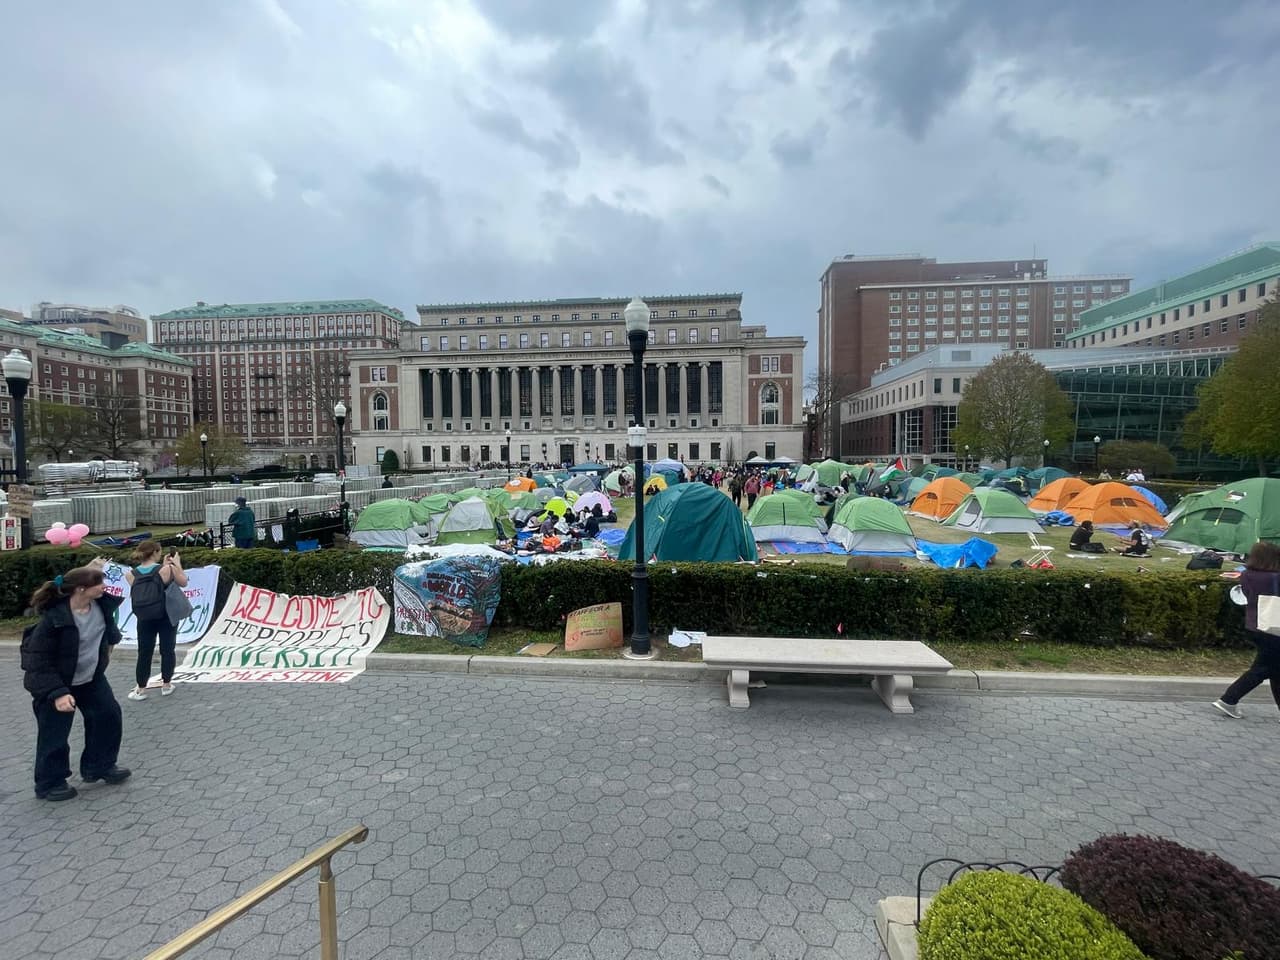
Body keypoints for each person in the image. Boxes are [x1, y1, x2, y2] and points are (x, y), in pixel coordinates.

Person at [20, 560, 131, 801]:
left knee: (108, 715)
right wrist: (58, 693)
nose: (104, 588)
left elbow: (109, 634)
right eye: (98, 584)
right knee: (54, 733)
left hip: (90, 678)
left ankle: (98, 766)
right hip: (57, 683)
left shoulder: (101, 606)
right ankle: (50, 783)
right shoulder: (54, 618)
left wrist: (104, 655)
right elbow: (37, 661)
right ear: (81, 589)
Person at [1213, 541, 1280, 720]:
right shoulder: (1275, 577)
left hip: (1255, 625)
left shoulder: (1247, 575)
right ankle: (1229, 699)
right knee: (1264, 668)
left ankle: (1229, 700)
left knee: (1275, 667)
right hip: (1274, 627)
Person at [126, 543, 189, 702]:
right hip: (166, 614)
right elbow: (183, 581)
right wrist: (177, 563)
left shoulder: (130, 574)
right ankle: (166, 685)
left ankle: (141, 688)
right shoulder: (166, 569)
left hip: (144, 617)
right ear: (155, 552)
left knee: (144, 651)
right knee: (167, 649)